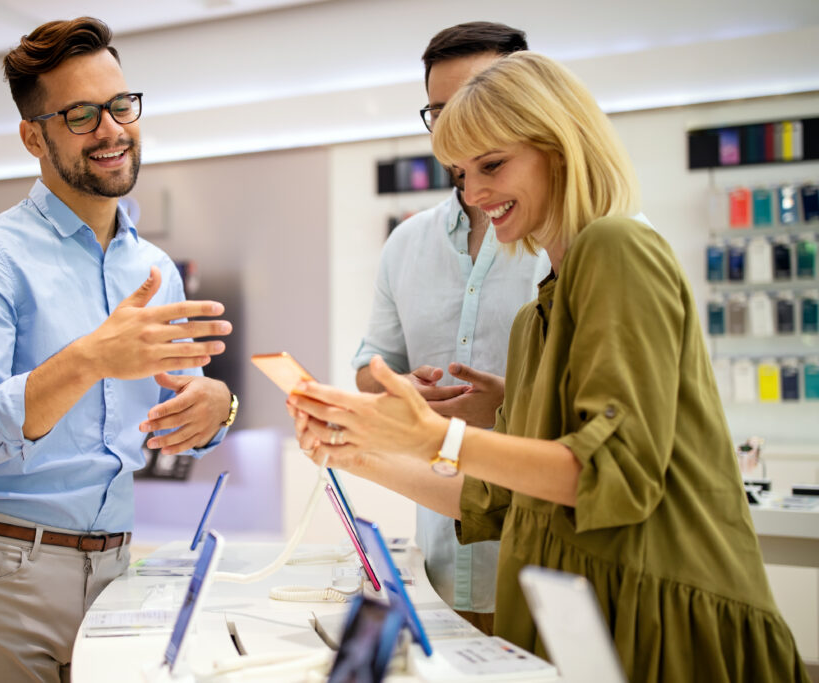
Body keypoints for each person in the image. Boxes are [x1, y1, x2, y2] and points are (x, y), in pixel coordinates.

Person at [290, 52, 809, 682]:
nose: (473, 194)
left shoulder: (617, 249)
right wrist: (353, 452)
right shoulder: (535, 319)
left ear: (560, 148)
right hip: (580, 627)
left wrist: (436, 437)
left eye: (492, 165)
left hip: (659, 626)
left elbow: (611, 476)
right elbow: (493, 499)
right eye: (461, 174)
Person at [0, 17, 237, 682]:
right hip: (3, 573)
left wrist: (217, 407)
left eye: (121, 105)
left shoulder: (154, 268)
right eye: (80, 115)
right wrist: (88, 359)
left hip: (118, 570)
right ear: (32, 136)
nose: (111, 129)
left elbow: (187, 416)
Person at [351, 21, 549, 634]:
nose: (456, 125)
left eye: (476, 99)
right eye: (439, 112)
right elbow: (371, 367)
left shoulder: (583, 238)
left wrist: (508, 406)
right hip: (440, 562)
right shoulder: (407, 242)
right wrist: (399, 389)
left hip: (547, 568)